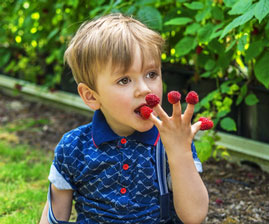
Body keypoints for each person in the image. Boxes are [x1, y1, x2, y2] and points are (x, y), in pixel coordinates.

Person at [39, 13, 209, 224]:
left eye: (151, 74)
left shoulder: (172, 140)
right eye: (124, 80)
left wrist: (180, 152)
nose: (145, 89)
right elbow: (54, 216)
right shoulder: (74, 148)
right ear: (91, 96)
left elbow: (195, 217)